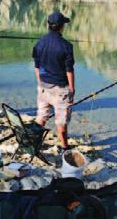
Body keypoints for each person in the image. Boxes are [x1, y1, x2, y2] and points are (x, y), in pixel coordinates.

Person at [32, 12, 75, 151]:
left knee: (41, 116)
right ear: (62, 27)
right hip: (60, 88)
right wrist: (72, 89)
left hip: (43, 86)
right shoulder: (66, 46)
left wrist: (40, 83)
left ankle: (34, 142)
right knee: (61, 121)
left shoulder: (39, 43)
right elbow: (69, 70)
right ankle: (64, 146)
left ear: (48, 25)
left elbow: (37, 67)